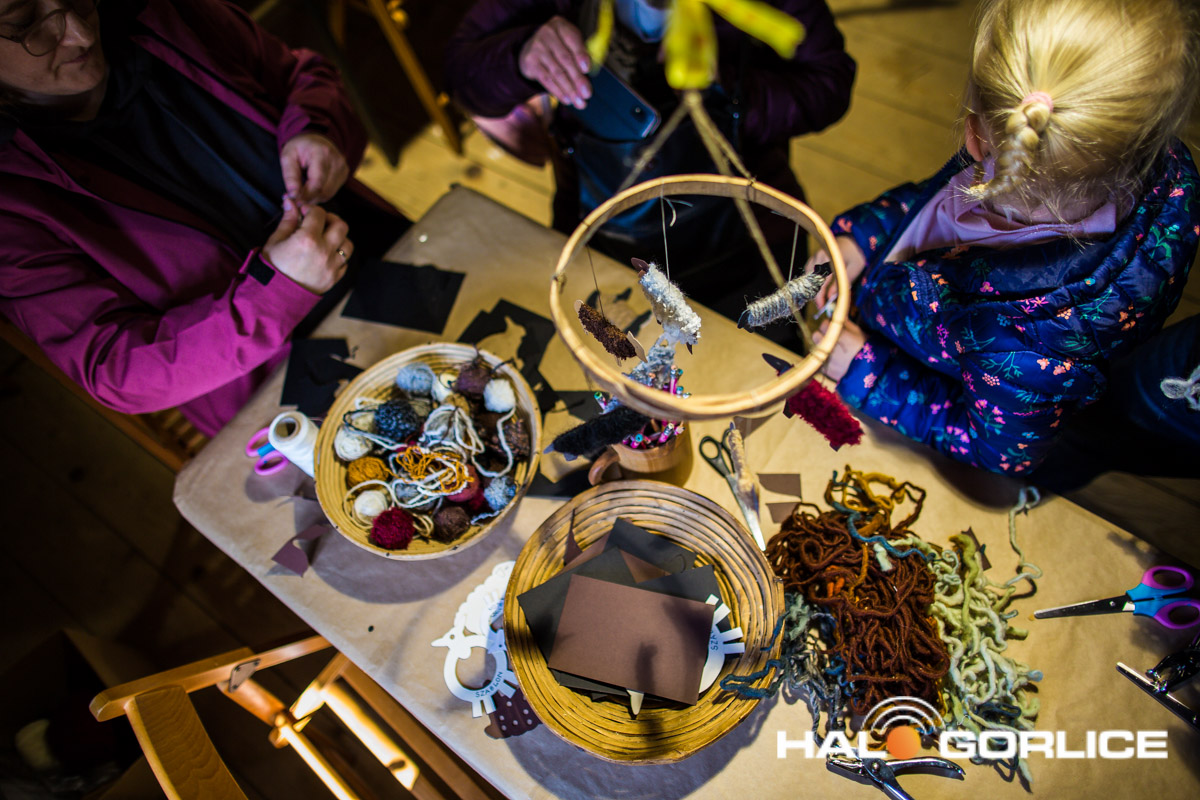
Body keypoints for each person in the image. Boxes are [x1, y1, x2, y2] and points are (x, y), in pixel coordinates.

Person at [808, 0, 1200, 477]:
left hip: (906, 375)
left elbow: (1000, 451)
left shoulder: (1033, 345)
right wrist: (864, 240)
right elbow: (932, 205)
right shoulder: (1076, 159)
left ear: (974, 132)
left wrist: (868, 372)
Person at [0, 0, 405, 436]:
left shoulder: (170, 15)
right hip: (282, 394)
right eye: (26, 24)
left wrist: (317, 130)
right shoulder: (11, 202)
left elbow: (303, 75)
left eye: (78, 0)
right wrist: (277, 292)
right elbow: (114, 369)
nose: (80, 34)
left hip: (388, 265)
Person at [444, 0, 854, 311]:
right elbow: (461, 71)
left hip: (748, 234)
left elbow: (830, 82)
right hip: (604, 236)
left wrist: (725, 88)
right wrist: (521, 56)